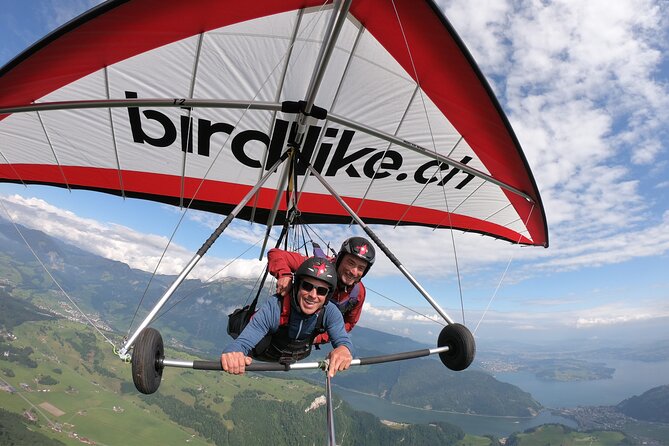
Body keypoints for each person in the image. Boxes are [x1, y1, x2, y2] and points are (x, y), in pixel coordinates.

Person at [220, 257, 353, 378]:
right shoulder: (275, 307)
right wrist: (234, 352)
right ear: (297, 286)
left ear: (327, 296)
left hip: (297, 354)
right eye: (307, 286)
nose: (313, 295)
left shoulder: (330, 312)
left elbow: (342, 339)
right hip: (264, 352)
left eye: (321, 291)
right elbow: (243, 342)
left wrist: (344, 349)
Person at [267, 236, 375, 344]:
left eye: (361, 268)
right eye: (350, 263)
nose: (354, 272)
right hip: (282, 326)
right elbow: (275, 254)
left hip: (307, 338)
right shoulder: (318, 266)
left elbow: (349, 323)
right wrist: (284, 274)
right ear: (340, 259)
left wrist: (320, 338)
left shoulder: (358, 292)